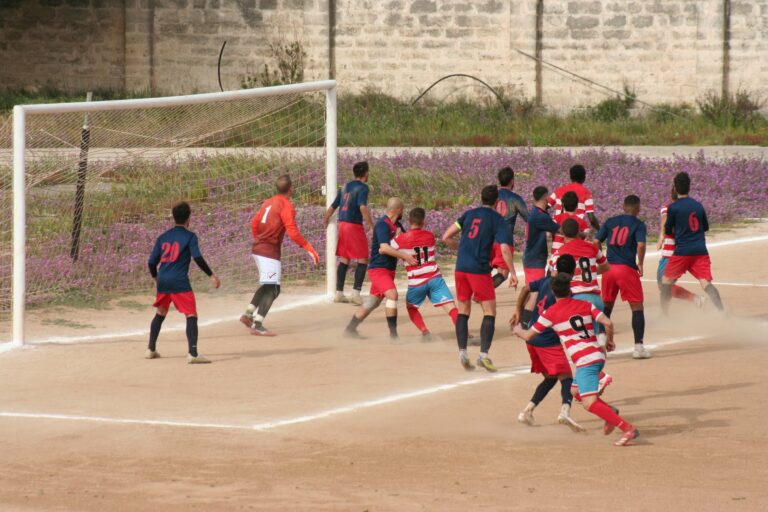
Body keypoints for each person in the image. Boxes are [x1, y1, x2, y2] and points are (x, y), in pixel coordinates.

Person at [513, 273, 640, 446]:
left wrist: (517, 329)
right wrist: (609, 341)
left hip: (586, 361)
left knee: (589, 403)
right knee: (575, 392)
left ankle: (628, 428)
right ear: (570, 289)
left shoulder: (551, 313)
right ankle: (609, 413)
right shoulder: (585, 304)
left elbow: (528, 335)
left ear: (553, 291)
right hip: (596, 355)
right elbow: (608, 323)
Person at [442, 185, 517, 372]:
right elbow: (505, 249)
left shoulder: (468, 214)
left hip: (461, 268)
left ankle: (462, 352)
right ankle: (483, 355)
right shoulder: (497, 220)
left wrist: (461, 249)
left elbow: (445, 237)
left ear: (481, 198)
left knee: (463, 309)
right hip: (478, 269)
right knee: (490, 311)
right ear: (497, 202)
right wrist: (513, 273)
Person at [510, 254, 584, 432]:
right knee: (566, 377)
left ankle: (527, 411)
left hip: (532, 338)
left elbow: (526, 288)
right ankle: (565, 410)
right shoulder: (566, 292)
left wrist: (518, 310)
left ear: (556, 267)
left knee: (551, 377)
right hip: (547, 342)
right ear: (573, 272)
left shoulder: (546, 281)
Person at [240, 175, 320, 336]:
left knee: (269, 285)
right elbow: (292, 231)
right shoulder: (287, 206)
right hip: (269, 252)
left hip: (258, 249)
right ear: (291, 189)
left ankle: (248, 314)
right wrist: (308, 247)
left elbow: (254, 224)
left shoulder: (267, 202)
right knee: (274, 289)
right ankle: (258, 324)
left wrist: (259, 239)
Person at [146, 201, 220, 364]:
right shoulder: (190, 236)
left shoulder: (163, 237)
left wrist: (155, 279)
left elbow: (151, 262)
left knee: (161, 312)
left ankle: (151, 349)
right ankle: (193, 353)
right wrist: (211, 275)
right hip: (179, 281)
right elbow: (197, 258)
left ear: (173, 217)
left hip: (164, 280)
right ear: (189, 219)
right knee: (191, 314)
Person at [344, 198, 416, 340]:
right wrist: (404, 256)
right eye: (403, 210)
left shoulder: (398, 225)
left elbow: (407, 243)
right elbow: (384, 248)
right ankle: (394, 336)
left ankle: (349, 330)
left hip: (389, 270)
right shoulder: (383, 225)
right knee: (392, 295)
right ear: (399, 210)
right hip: (378, 270)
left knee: (372, 302)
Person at [390, 207, 461, 341]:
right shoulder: (430, 236)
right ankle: (462, 332)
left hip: (416, 282)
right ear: (423, 221)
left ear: (409, 221)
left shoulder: (401, 239)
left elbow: (388, 247)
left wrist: (397, 236)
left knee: (411, 308)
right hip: (434, 277)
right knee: (451, 307)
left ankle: (425, 331)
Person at [661, 172, 725, 314]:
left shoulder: (674, 207)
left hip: (683, 251)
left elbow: (668, 229)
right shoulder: (698, 205)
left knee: (665, 281)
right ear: (689, 187)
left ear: (675, 188)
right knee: (706, 283)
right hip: (700, 251)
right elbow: (706, 227)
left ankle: (664, 315)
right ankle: (722, 312)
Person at [597, 195, 651, 359]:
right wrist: (640, 263)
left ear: (623, 205)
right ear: (638, 208)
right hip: (626, 269)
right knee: (637, 307)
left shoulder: (610, 221)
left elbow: (595, 240)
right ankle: (638, 347)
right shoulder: (638, 224)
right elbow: (641, 244)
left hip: (608, 269)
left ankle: (600, 345)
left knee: (606, 307)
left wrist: (601, 259)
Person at [324, 161, 374, 305]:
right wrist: (371, 225)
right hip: (353, 225)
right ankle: (356, 293)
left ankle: (339, 293)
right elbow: (363, 207)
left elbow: (334, 205)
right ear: (366, 173)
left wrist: (326, 218)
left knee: (345, 258)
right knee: (363, 258)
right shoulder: (363, 187)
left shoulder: (345, 186)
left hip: (342, 224)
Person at [657, 185, 705, 307]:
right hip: (682, 251)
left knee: (664, 286)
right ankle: (695, 299)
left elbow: (664, 218)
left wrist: (661, 237)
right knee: (665, 286)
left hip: (670, 254)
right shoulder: (687, 210)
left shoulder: (667, 208)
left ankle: (694, 299)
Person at [491, 167, 528, 288]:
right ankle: (482, 292)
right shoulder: (515, 198)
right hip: (504, 240)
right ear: (512, 181)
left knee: (485, 269)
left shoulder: (492, 196)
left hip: (488, 238)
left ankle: (478, 290)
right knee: (503, 273)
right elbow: (529, 218)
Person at [522, 186, 559, 286]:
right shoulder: (540, 216)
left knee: (533, 291)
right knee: (535, 293)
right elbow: (560, 230)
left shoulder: (536, 213)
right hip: (535, 261)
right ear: (546, 197)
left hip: (532, 258)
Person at [548, 164, 600, 230]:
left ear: (570, 177)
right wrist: (600, 231)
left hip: (558, 230)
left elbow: (545, 206)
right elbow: (591, 219)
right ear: (584, 177)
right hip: (576, 230)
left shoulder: (559, 190)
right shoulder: (586, 193)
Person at [549, 190, 590, 270]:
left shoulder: (555, 219)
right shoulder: (583, 223)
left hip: (555, 259)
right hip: (574, 262)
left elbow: (547, 233)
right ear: (577, 206)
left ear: (563, 205)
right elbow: (586, 237)